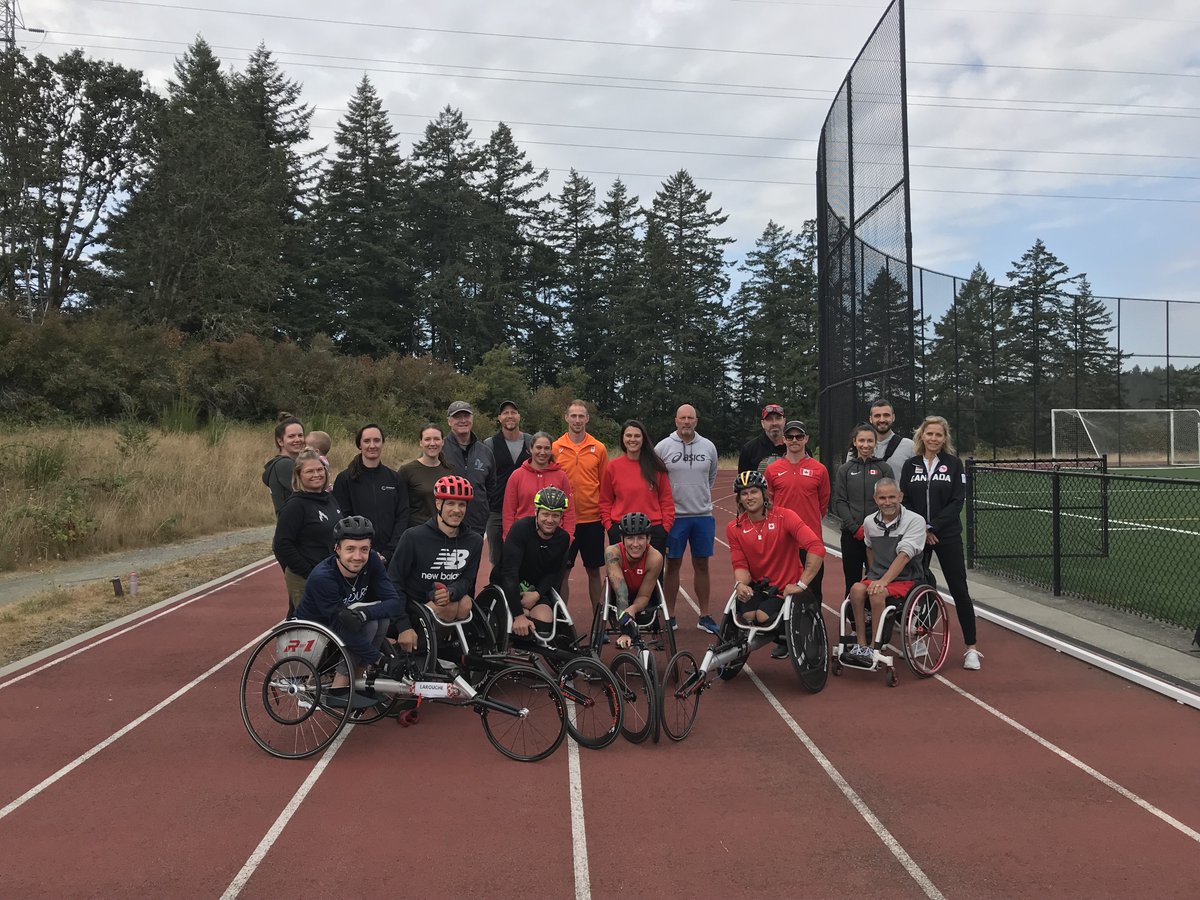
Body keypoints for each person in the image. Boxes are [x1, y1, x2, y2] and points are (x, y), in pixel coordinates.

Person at [293, 516, 419, 690]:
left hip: (344, 624)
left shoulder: (372, 560)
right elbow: (342, 628)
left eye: (364, 549)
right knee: (365, 625)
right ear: (337, 548)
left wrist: (363, 613)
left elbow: (394, 603)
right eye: (350, 549)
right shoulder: (323, 577)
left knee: (379, 619)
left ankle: (358, 681)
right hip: (314, 635)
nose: (358, 557)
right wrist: (381, 661)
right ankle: (339, 688)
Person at [898, 415, 982, 670]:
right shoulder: (911, 465)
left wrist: (934, 526)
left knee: (959, 589)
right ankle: (920, 638)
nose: (933, 439)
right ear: (921, 436)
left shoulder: (954, 464)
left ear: (945, 438)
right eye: (929, 434)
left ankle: (971, 649)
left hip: (947, 535)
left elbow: (957, 501)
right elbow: (905, 500)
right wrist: (922, 527)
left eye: (938, 435)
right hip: (918, 535)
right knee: (919, 586)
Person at [726, 471, 825, 658]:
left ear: (764, 493)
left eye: (753, 492)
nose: (749, 497)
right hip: (760, 587)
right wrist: (740, 584)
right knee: (747, 616)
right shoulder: (734, 528)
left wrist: (801, 584)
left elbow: (816, 547)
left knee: (762, 616)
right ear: (739, 498)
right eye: (744, 493)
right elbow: (740, 565)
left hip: (784, 589)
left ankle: (784, 637)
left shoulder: (785, 517)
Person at [844, 478, 927, 667]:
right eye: (882, 497)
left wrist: (883, 581)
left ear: (900, 496)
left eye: (891, 497)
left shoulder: (915, 521)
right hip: (879, 576)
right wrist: (874, 574)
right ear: (875, 499)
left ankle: (876, 645)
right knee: (856, 589)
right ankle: (861, 644)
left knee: (877, 592)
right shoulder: (869, 522)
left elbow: (905, 556)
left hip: (906, 579)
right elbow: (870, 548)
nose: (887, 502)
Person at [655, 403, 720, 634]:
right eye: (682, 418)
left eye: (690, 418)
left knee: (702, 564)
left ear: (696, 421)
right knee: (671, 565)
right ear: (676, 420)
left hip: (702, 516)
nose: (686, 422)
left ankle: (704, 615)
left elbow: (711, 477)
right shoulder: (662, 447)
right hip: (675, 518)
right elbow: (655, 480)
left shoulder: (709, 446)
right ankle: (669, 616)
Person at [388, 474, 482, 624]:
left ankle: (446, 642)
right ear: (438, 504)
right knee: (447, 609)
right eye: (451, 503)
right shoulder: (412, 537)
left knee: (465, 603)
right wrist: (403, 625)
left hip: (448, 600)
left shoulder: (474, 541)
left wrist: (451, 592)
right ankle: (420, 643)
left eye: (462, 505)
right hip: (415, 606)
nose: (457, 510)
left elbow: (467, 579)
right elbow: (394, 581)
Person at [766, 420, 831, 603]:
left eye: (799, 436)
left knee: (812, 590)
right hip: (782, 540)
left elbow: (823, 503)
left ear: (806, 439)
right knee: (780, 587)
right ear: (784, 440)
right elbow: (769, 502)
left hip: (810, 540)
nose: (795, 440)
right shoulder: (772, 470)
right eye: (790, 437)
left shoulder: (820, 470)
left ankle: (813, 628)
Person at [552, 400, 608, 610]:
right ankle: (562, 620)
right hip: (564, 521)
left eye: (581, 416)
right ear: (566, 418)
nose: (577, 420)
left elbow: (604, 485)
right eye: (573, 416)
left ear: (587, 419)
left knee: (594, 571)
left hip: (592, 520)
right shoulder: (556, 447)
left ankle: (597, 620)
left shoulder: (599, 448)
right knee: (563, 571)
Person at [494, 487, 572, 638]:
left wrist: (536, 594)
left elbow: (554, 573)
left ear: (561, 516)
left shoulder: (563, 539)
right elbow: (509, 573)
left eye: (555, 515)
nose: (550, 520)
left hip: (534, 589)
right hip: (507, 585)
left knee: (544, 623)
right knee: (521, 617)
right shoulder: (520, 529)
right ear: (536, 511)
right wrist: (519, 616)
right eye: (545, 514)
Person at [273, 448, 343, 612]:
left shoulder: (330, 499)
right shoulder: (295, 506)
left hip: (331, 574)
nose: (316, 474)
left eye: (320, 470)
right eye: (309, 471)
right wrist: (309, 572)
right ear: (298, 475)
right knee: (313, 629)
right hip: (306, 578)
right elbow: (282, 544)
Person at [831, 424, 895, 597]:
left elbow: (889, 501)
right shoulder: (845, 469)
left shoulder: (884, 469)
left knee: (876, 579)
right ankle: (852, 618)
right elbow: (840, 501)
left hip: (878, 535)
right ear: (854, 442)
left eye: (869, 441)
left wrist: (876, 527)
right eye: (861, 440)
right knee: (852, 580)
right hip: (852, 535)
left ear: (875, 443)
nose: (865, 445)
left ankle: (876, 617)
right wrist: (854, 528)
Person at [332, 423, 409, 566]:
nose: (372, 445)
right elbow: (342, 518)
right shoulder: (345, 479)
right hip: (357, 558)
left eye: (377, 440)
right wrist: (363, 551)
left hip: (390, 558)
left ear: (383, 443)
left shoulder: (395, 478)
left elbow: (402, 517)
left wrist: (388, 553)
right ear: (359, 445)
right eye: (367, 441)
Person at [604, 512, 665, 650]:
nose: (635, 544)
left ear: (648, 539)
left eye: (640, 538)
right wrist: (625, 631)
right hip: (618, 598)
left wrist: (633, 609)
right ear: (622, 539)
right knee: (620, 594)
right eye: (630, 538)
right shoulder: (612, 553)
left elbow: (644, 595)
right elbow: (621, 592)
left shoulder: (655, 558)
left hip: (642, 599)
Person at [502, 432, 576, 542]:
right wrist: (509, 539)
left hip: (553, 537)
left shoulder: (561, 476)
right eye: (538, 447)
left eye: (547, 448)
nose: (542, 452)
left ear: (551, 450)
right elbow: (509, 511)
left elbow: (569, 511)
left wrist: (568, 538)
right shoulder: (517, 475)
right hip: (523, 537)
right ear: (531, 449)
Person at [485, 399, 532, 565]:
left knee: (526, 560)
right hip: (497, 510)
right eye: (505, 413)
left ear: (519, 416)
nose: (509, 416)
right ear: (499, 417)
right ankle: (496, 592)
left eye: (513, 412)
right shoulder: (489, 444)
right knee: (497, 561)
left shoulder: (531, 442)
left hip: (526, 510)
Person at [444, 400, 496, 539]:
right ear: (449, 421)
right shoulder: (439, 448)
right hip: (445, 525)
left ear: (472, 418)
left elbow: (491, 488)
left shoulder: (485, 451)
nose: (462, 421)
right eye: (457, 417)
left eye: (466, 416)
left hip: (476, 526)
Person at [398, 424, 456, 527]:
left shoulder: (450, 471)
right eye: (427, 439)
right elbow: (399, 508)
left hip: (444, 533)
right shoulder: (406, 471)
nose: (432, 443)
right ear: (420, 442)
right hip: (416, 533)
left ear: (442, 442)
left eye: (437, 439)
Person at [848, 398, 915, 474]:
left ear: (893, 417)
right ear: (870, 419)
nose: (882, 420)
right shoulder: (857, 447)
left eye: (886, 415)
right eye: (877, 416)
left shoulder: (909, 446)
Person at [262, 412, 305, 516]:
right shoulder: (284, 464)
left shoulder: (290, 463)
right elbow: (307, 493)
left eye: (300, 435)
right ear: (280, 441)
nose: (297, 440)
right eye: (291, 436)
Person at [737, 403, 788, 479]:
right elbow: (743, 484)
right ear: (763, 423)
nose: (774, 423)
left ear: (784, 421)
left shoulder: (797, 448)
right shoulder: (749, 449)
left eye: (778, 418)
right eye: (769, 419)